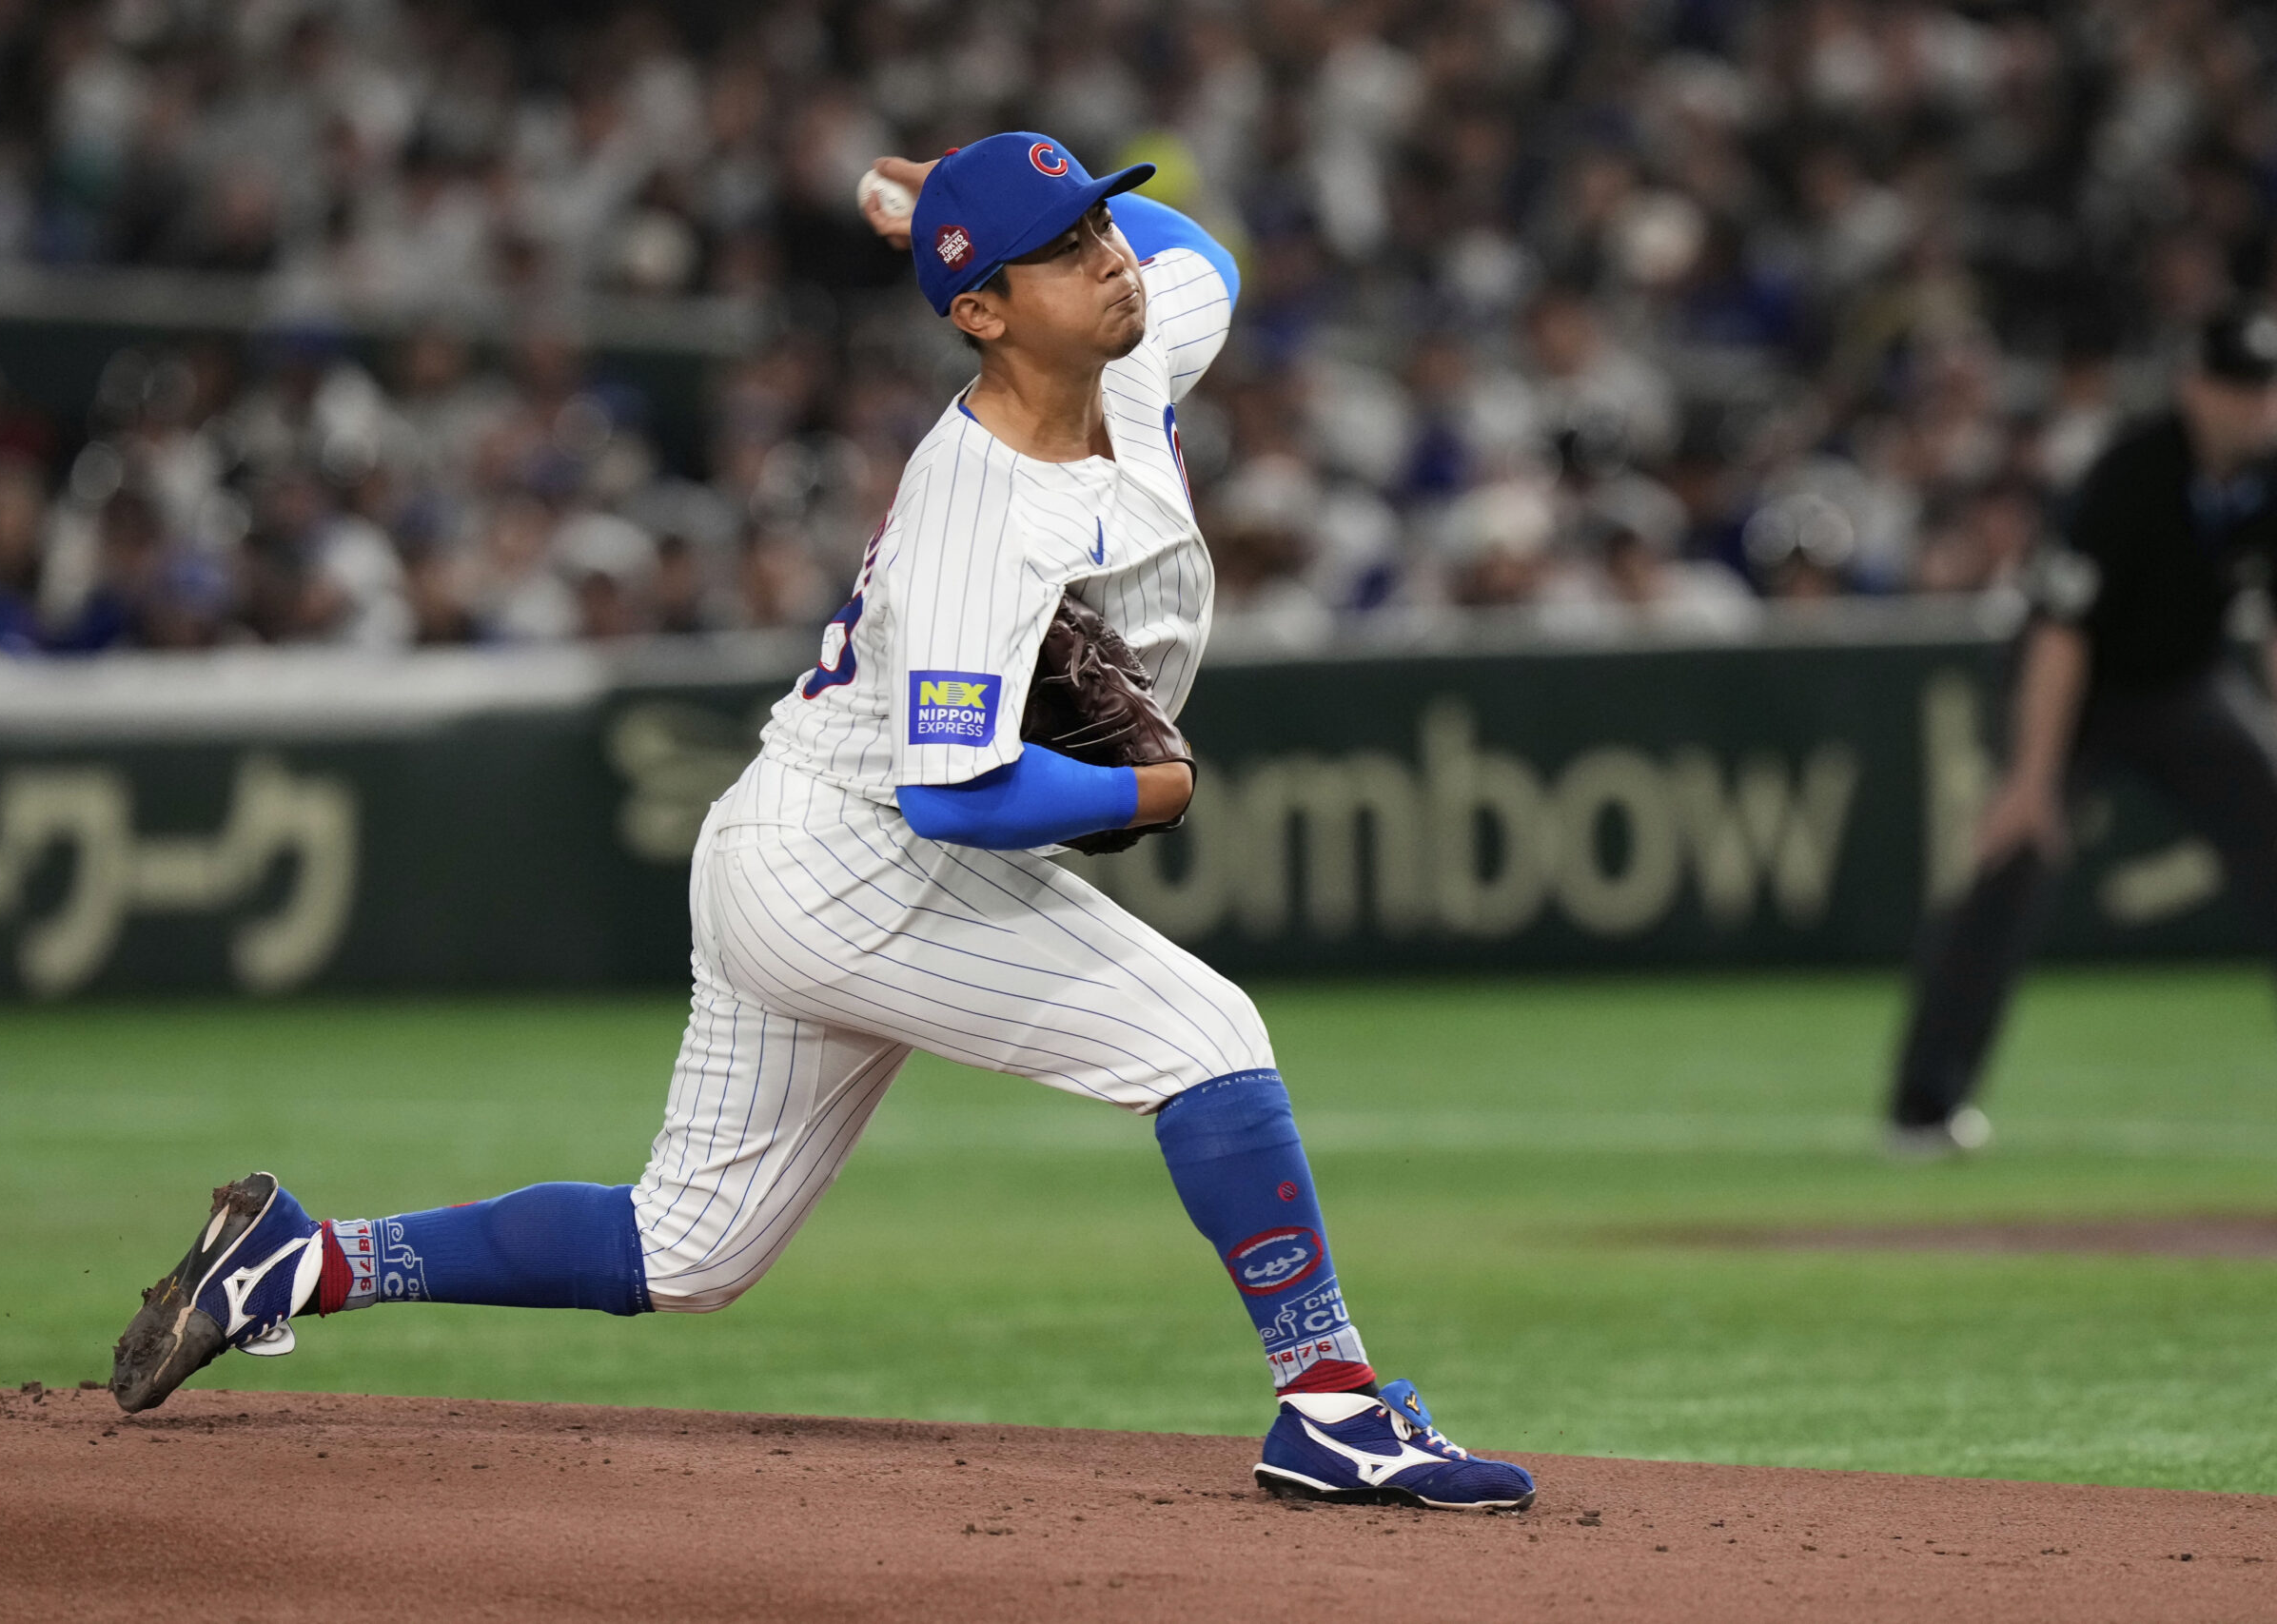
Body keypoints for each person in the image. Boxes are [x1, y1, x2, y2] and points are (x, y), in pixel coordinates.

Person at [110, 132, 1537, 1513]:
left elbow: (1198, 252)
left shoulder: (1129, 330)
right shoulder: (977, 511)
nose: (1110, 260)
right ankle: (1334, 1408)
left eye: (1100, 225)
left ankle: (297, 1261)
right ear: (981, 313)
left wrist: (952, 197)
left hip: (790, 831)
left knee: (687, 1248)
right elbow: (953, 792)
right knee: (1205, 1035)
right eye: (1064, 250)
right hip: (857, 859)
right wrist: (1143, 789)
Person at [1889, 305, 2277, 1152]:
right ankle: (1926, 1103)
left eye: (2266, 389)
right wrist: (2032, 776)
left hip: (2186, 687)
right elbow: (2061, 633)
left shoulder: (2269, 477)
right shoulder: (2130, 474)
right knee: (2012, 858)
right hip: (2075, 694)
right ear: (2194, 388)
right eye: (2239, 388)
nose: (2256, 406)